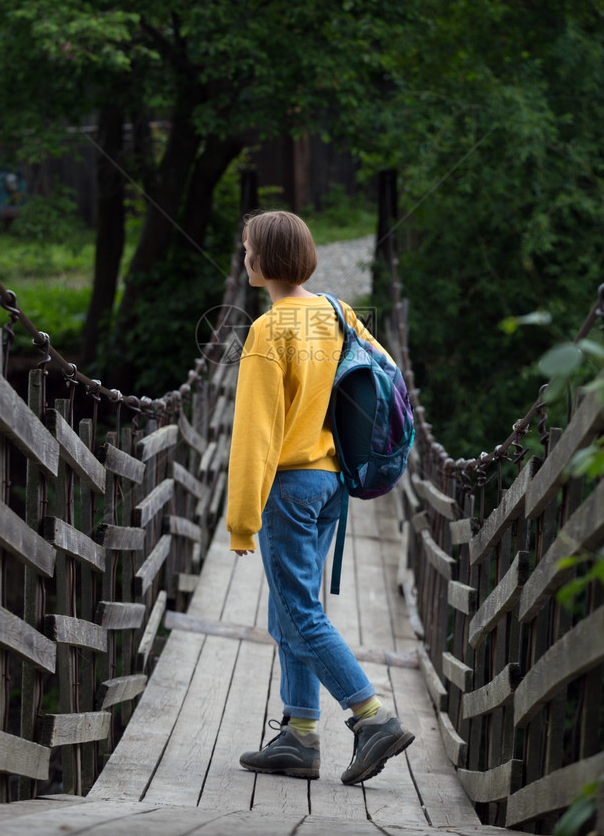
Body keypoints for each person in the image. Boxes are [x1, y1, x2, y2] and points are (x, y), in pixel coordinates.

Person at [226, 209, 415, 784]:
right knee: (288, 609)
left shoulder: (267, 330)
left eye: (247, 250)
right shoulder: (337, 312)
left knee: (300, 610)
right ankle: (300, 736)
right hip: (332, 481)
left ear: (265, 260)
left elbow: (256, 434)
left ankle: (371, 717)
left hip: (288, 485)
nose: (243, 259)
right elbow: (383, 373)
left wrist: (241, 520)